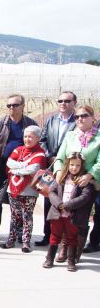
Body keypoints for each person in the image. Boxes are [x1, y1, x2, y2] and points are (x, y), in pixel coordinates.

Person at [53, 104, 100, 263]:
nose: (80, 119)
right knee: (65, 214)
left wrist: (90, 174)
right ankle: (63, 246)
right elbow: (59, 157)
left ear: (93, 118)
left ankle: (76, 251)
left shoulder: (98, 137)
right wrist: (59, 171)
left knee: (80, 217)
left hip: (87, 184)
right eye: (77, 116)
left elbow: (99, 162)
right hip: (68, 183)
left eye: (84, 115)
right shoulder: (70, 135)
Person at [0, 94, 38, 240]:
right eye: (9, 105)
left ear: (23, 106)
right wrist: (1, 158)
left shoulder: (30, 124)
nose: (11, 108)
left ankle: (20, 231)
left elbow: (35, 144)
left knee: (20, 200)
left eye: (15, 105)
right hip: (2, 168)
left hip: (23, 169)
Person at [36, 91, 78, 246]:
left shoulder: (78, 121)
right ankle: (48, 236)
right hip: (51, 166)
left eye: (67, 101)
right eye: (60, 100)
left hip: (70, 167)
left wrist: (66, 160)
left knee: (68, 201)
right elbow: (42, 140)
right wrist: (50, 155)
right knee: (49, 200)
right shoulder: (51, 120)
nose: (63, 103)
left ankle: (66, 240)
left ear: (74, 103)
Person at [44, 152, 94, 272]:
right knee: (55, 235)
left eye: (77, 165)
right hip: (57, 214)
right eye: (72, 165)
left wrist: (66, 205)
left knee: (72, 237)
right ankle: (49, 258)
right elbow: (51, 192)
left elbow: (84, 197)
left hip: (73, 216)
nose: (74, 168)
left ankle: (71, 260)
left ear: (81, 166)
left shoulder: (84, 182)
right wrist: (59, 204)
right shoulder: (61, 178)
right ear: (67, 164)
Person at [0, 126, 46, 252]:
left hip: (29, 190)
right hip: (13, 188)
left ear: (37, 138)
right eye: (25, 136)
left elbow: (34, 169)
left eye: (30, 136)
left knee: (27, 216)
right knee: (14, 216)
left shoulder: (40, 153)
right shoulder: (18, 149)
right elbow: (9, 162)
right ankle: (11, 240)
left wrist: (16, 169)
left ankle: (26, 242)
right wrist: (24, 166)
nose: (27, 139)